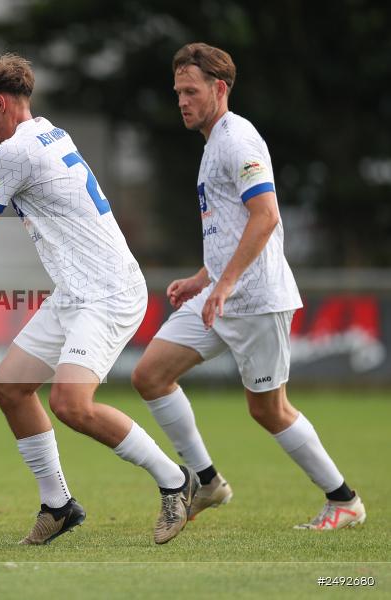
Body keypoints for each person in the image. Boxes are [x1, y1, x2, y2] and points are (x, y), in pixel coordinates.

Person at [0, 53, 198, 545]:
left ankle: (178, 481)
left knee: (71, 403)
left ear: (0, 102)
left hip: (105, 294)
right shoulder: (45, 132)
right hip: (77, 292)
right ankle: (59, 505)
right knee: (10, 386)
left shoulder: (15, 152)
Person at [131, 43, 366, 530]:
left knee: (268, 409)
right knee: (150, 374)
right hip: (220, 295)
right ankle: (207, 481)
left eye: (191, 91)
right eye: (177, 92)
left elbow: (266, 216)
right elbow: (231, 225)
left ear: (220, 89)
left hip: (256, 299)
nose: (182, 100)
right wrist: (203, 278)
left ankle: (343, 500)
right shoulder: (213, 141)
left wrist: (224, 284)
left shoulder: (238, 140)